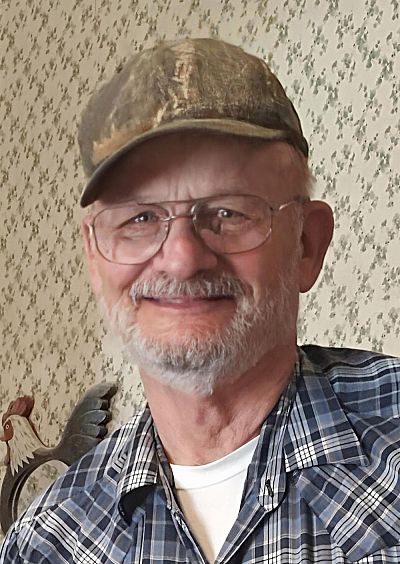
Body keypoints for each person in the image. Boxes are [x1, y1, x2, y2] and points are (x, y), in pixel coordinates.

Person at [1, 37, 400, 564]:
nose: (182, 259)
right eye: (139, 218)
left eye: (229, 212)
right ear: (95, 258)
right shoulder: (45, 543)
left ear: (307, 243)